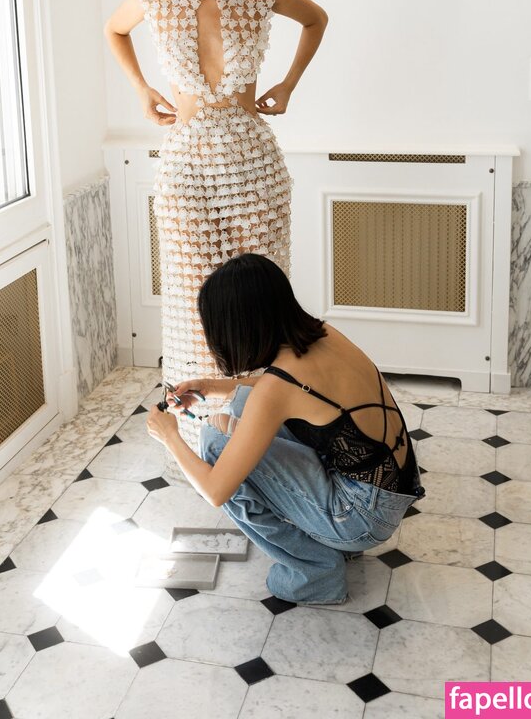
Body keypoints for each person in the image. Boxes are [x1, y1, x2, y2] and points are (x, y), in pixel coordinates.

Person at [104, 0, 327, 449]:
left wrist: (288, 84)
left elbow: (316, 18)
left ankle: (265, 425)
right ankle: (203, 430)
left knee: (260, 297)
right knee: (192, 297)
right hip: (185, 166)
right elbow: (115, 29)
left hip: (253, 165)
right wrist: (141, 90)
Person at [145, 253, 425, 605]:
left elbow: (216, 491)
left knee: (215, 445)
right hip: (391, 489)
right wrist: (211, 386)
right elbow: (285, 389)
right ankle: (332, 544)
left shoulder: (277, 389)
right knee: (243, 403)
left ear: (237, 329)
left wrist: (169, 435)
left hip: (363, 518)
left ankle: (316, 571)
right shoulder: (323, 334)